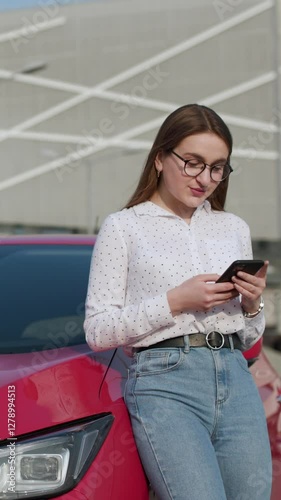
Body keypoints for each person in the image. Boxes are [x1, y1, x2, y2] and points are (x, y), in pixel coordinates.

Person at [84, 104, 272, 500]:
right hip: (166, 384)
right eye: (192, 163)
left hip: (236, 379)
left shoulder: (234, 228)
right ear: (159, 158)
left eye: (218, 167)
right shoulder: (124, 227)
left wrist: (253, 305)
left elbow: (249, 333)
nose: (205, 178)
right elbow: (98, 330)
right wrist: (176, 300)